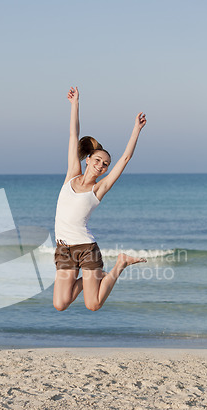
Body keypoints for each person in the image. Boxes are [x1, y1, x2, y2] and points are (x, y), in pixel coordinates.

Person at [53, 86, 147, 312]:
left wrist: (136, 130)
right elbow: (73, 135)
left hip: (86, 249)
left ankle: (120, 264)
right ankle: (93, 279)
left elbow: (124, 159)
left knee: (93, 304)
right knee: (60, 304)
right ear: (88, 160)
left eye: (105, 164)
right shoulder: (71, 175)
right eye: (97, 160)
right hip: (63, 249)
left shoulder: (98, 189)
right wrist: (75, 104)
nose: (101, 165)